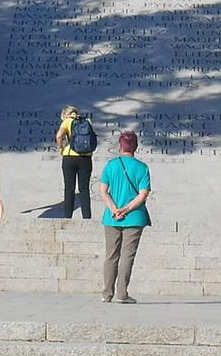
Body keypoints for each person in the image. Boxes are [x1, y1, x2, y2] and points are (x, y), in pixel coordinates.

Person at [99, 130, 151, 303]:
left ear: (120, 146)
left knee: (111, 255)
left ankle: (107, 294)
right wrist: (127, 209)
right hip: (134, 217)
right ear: (135, 147)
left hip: (111, 217)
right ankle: (122, 294)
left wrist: (114, 209)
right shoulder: (142, 168)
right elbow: (143, 194)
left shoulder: (111, 165)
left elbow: (103, 191)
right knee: (127, 256)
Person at [55, 105, 96, 219]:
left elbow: (59, 135)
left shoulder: (67, 121)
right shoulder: (87, 121)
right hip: (86, 158)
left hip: (69, 157)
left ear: (65, 115)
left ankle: (68, 217)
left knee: (69, 188)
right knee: (84, 189)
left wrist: (61, 147)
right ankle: (87, 217)